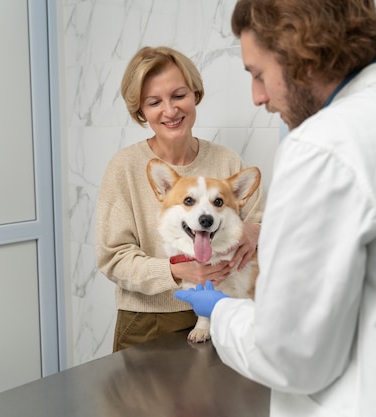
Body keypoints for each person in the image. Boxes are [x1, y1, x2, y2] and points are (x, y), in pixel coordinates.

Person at [175, 1, 376, 416]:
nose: (258, 97)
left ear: (304, 55)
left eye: (259, 75)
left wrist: (222, 311)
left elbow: (291, 358)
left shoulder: (324, 145)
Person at [96, 46, 266, 352]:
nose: (170, 110)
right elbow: (113, 257)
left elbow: (267, 226)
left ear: (195, 94)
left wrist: (255, 231)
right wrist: (176, 271)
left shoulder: (227, 160)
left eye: (178, 95)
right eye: (154, 102)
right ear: (141, 111)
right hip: (150, 321)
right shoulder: (124, 167)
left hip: (229, 312)